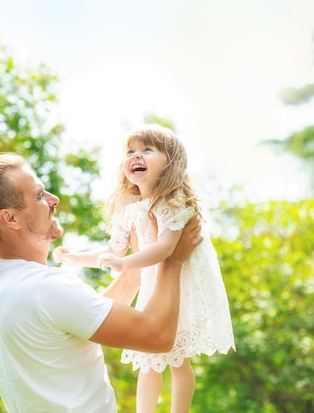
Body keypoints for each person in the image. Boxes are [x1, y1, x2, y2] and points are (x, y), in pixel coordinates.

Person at [0, 152, 203, 413]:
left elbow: (82, 316)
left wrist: (137, 266)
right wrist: (171, 260)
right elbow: (157, 336)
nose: (54, 199)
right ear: (10, 218)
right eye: (40, 195)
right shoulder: (46, 289)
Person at [53, 125, 235, 413]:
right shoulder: (128, 205)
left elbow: (164, 248)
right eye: (130, 152)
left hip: (179, 285)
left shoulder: (175, 203)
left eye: (147, 150)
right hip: (154, 282)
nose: (136, 156)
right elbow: (113, 250)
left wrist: (124, 263)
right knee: (147, 357)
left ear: (170, 162)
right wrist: (77, 258)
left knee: (177, 357)